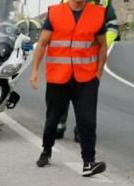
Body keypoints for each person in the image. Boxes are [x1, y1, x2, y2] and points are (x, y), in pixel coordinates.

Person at [29, 0, 108, 177]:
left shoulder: (96, 14)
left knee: (87, 121)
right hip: (58, 77)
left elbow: (103, 45)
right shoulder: (55, 13)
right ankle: (46, 150)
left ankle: (89, 162)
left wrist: (99, 72)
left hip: (86, 78)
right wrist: (35, 70)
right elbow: (42, 43)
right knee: (52, 120)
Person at [54, 0, 118, 141]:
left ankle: (81, 130)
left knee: (85, 97)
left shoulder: (103, 2)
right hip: (68, 56)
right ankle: (58, 126)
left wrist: (100, 44)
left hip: (90, 58)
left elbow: (112, 28)